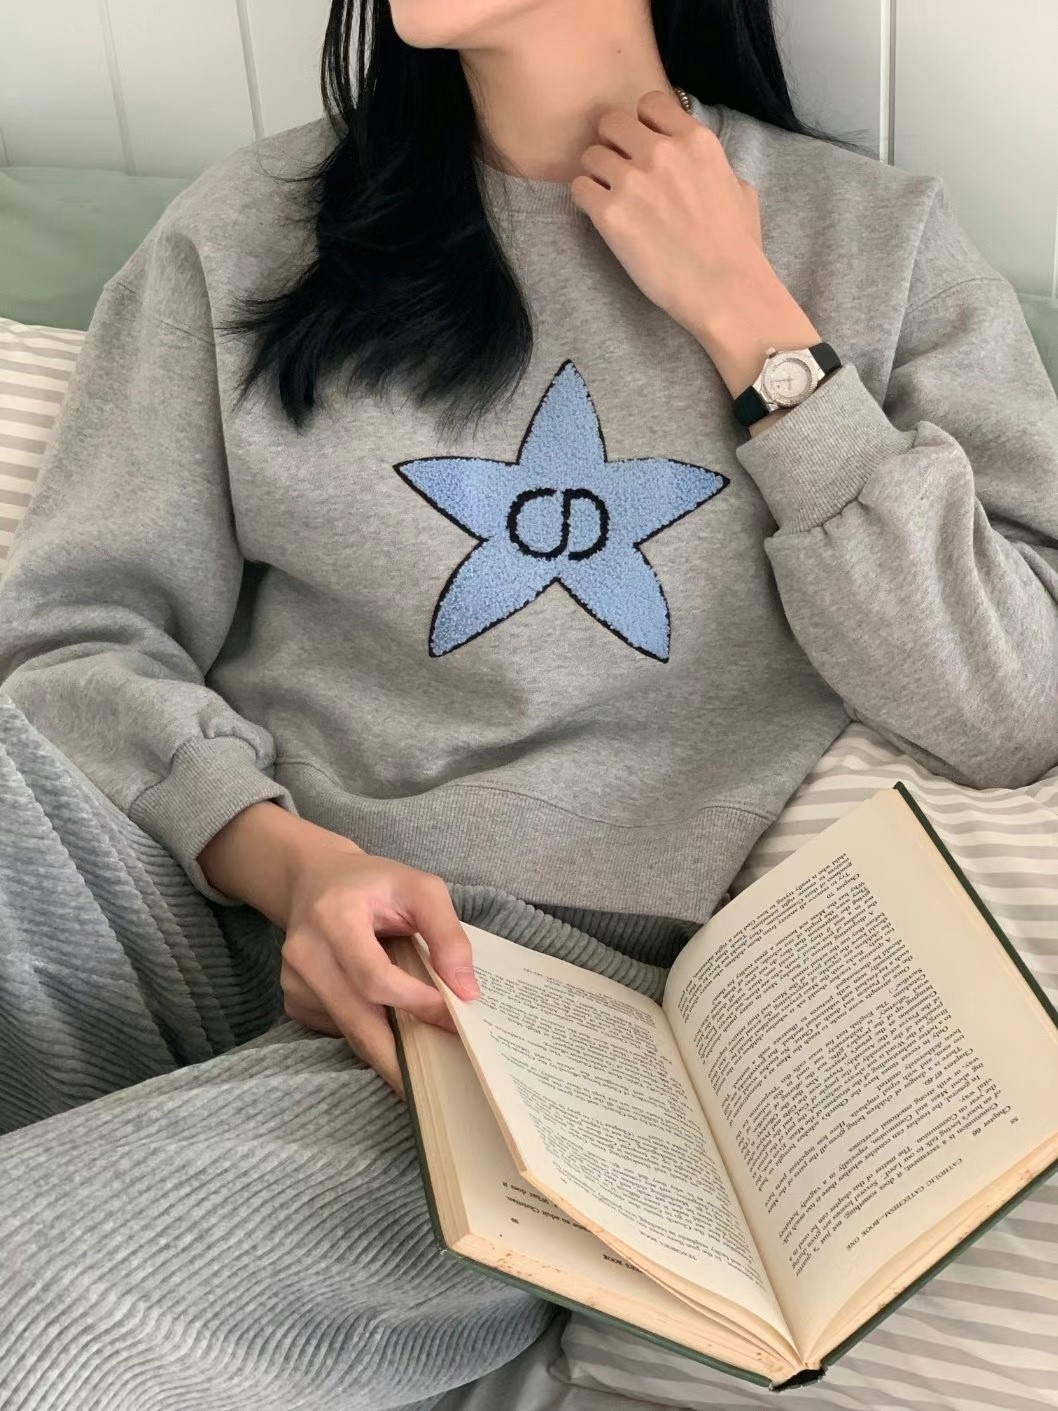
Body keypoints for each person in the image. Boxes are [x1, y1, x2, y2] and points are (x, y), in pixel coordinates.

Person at [0, 0, 1056, 1407]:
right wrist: (294, 864)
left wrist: (748, 320)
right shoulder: (247, 227)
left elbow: (1003, 701)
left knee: (33, 1306)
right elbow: (79, 634)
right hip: (185, 893)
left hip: (504, 1022)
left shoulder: (875, 244)